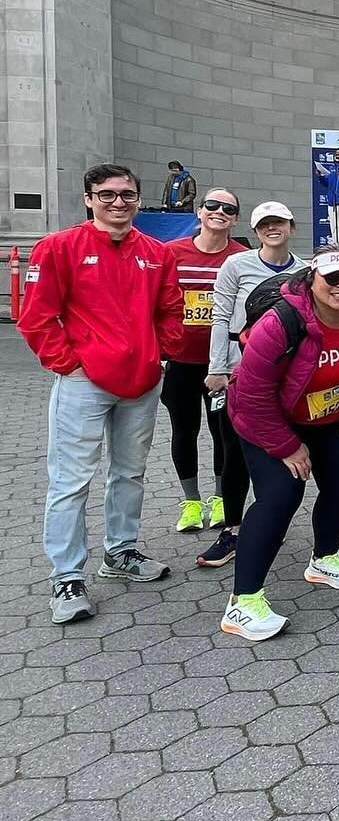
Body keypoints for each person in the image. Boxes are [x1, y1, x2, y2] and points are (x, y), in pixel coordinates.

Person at [19, 163, 183, 624]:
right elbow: (35, 317)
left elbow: (171, 310)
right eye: (107, 194)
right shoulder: (58, 247)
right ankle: (66, 576)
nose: (118, 202)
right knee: (71, 482)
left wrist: (160, 356)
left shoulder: (156, 252)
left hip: (142, 382)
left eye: (127, 194)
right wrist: (69, 365)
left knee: (130, 474)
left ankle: (121, 552)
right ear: (89, 198)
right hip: (84, 384)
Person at [220, 248, 339, 641]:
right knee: (281, 494)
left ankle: (324, 558)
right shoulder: (281, 322)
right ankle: (242, 602)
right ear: (313, 278)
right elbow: (253, 396)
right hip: (267, 421)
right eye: (333, 279)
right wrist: (286, 447)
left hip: (326, 418)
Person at [201, 202, 309, 569]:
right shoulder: (236, 265)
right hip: (239, 370)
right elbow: (219, 316)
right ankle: (232, 530)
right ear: (256, 229)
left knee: (277, 452)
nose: (271, 229)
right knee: (235, 454)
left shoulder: (305, 271)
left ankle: (268, 522)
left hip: (289, 375)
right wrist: (217, 367)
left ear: (291, 226)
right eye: (264, 224)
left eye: (278, 222)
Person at [162, 189, 247, 534]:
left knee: (223, 434)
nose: (219, 211)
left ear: (236, 219)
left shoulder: (243, 257)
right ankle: (191, 502)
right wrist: (159, 352)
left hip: (224, 366)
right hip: (181, 360)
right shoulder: (170, 253)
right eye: (212, 205)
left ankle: (221, 499)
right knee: (185, 430)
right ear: (199, 212)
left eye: (229, 208)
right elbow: (155, 305)